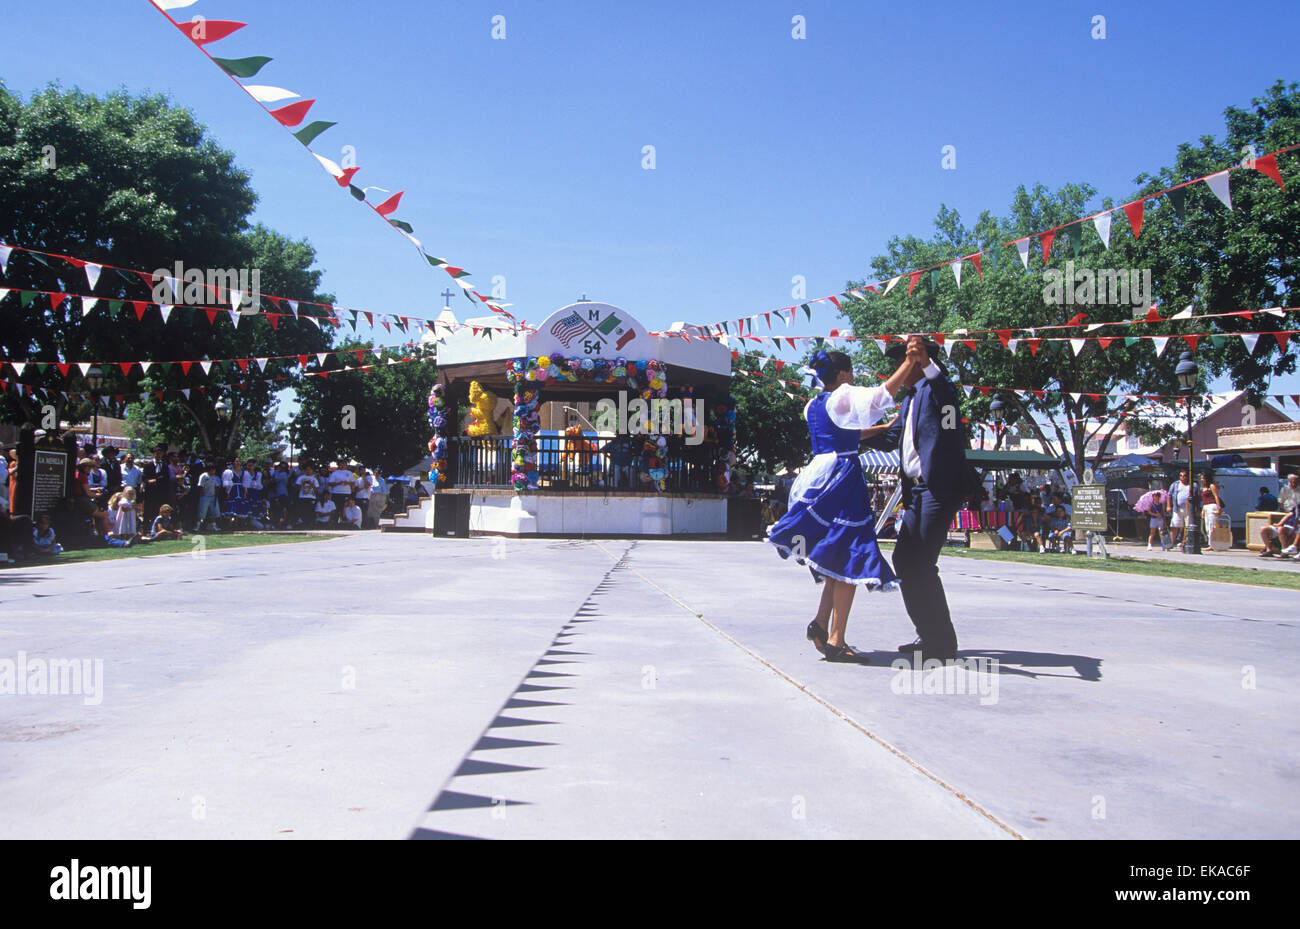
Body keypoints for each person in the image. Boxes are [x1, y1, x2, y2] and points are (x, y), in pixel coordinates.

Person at [767, 348, 914, 664]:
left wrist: (883, 430)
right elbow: (881, 396)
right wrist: (908, 362)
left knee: (836, 554)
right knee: (849, 555)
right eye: (851, 372)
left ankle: (821, 624)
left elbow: (847, 432)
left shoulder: (814, 405)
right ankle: (836, 640)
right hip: (842, 480)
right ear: (844, 375)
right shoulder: (843, 397)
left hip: (819, 474)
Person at [862, 335, 979, 662]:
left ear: (919, 360)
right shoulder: (911, 397)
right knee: (904, 561)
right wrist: (847, 433)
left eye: (904, 360)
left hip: (937, 487)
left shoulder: (941, 391)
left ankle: (941, 644)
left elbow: (945, 393)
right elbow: (892, 436)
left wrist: (926, 362)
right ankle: (928, 634)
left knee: (920, 563)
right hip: (914, 491)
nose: (898, 367)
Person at [1168, 469, 1193, 548]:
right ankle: (1170, 543)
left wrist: (1198, 508)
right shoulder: (1175, 484)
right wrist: (1168, 506)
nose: (1182, 477)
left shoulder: (1192, 485)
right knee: (1174, 525)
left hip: (1189, 509)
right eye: (1181, 475)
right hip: (1177, 508)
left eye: (1184, 475)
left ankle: (1184, 543)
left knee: (1188, 526)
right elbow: (1169, 495)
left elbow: (1197, 497)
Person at [195, 463, 222, 532]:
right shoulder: (203, 476)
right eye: (212, 470)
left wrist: (216, 494)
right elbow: (200, 486)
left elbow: (217, 486)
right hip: (205, 497)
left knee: (213, 512)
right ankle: (197, 526)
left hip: (213, 496)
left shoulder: (215, 477)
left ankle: (213, 526)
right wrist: (202, 495)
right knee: (202, 512)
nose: (214, 471)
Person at [1200, 470, 1223, 546]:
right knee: (1207, 526)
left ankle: (1213, 544)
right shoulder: (1204, 488)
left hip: (1212, 506)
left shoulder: (1211, 486)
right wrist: (1203, 510)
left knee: (1212, 525)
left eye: (1203, 478)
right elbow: (1204, 501)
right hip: (1206, 506)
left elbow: (1216, 496)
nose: (1201, 480)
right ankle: (1210, 543)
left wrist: (1219, 507)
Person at [295, 464, 319, 528]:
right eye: (307, 470)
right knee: (303, 511)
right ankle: (303, 524)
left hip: (311, 497)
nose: (308, 471)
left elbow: (316, 490)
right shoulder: (301, 478)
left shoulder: (314, 479)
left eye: (310, 470)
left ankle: (310, 524)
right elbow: (297, 488)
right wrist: (303, 483)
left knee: (310, 511)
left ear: (312, 471)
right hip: (302, 497)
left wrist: (311, 484)